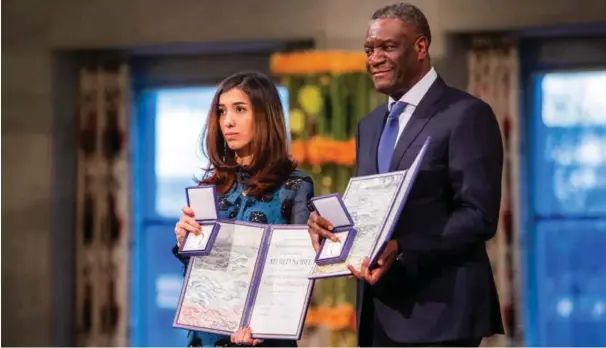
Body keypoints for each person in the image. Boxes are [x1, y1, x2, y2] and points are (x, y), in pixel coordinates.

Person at [307, 3, 505, 347]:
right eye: (369, 50)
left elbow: (478, 216)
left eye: (387, 47)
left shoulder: (466, 114)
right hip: (377, 312)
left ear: (421, 47)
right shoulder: (368, 126)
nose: (374, 58)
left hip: (441, 313)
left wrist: (403, 248)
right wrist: (331, 225)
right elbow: (373, 209)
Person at [173, 71, 314, 347]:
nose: (228, 121)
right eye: (222, 111)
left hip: (263, 337)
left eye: (240, 110)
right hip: (208, 336)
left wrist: (264, 324)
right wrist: (184, 245)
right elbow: (197, 277)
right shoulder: (209, 188)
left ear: (264, 115)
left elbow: (298, 275)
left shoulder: (295, 185)